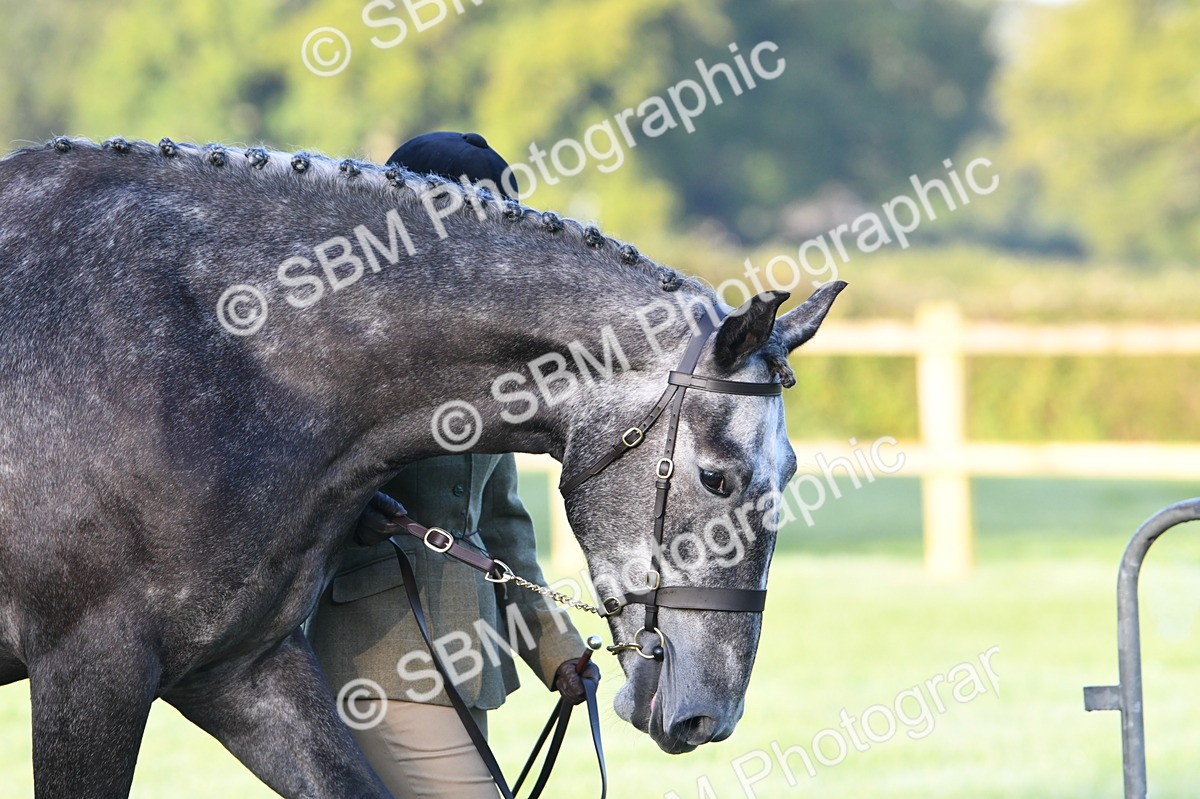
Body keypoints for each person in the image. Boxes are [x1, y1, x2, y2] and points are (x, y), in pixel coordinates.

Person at [307, 132, 596, 798]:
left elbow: (501, 533)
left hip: (469, 666)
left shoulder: (491, 358)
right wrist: (354, 510)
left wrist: (556, 650)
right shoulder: (348, 336)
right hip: (374, 660)